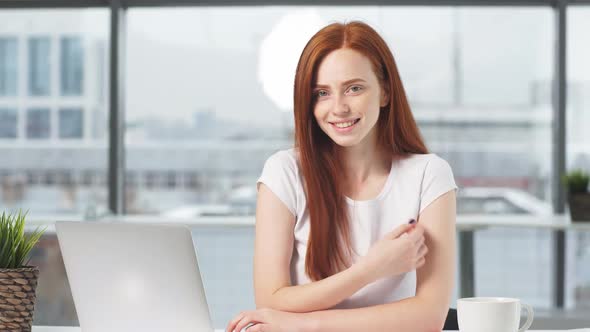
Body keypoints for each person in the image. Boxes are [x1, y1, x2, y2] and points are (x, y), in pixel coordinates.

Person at [226, 21, 458, 332]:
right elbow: (270, 300)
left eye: (354, 88)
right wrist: (370, 270)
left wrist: (302, 325)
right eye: (322, 93)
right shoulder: (284, 172)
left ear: (385, 92)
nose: (338, 108)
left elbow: (429, 317)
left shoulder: (429, 174)